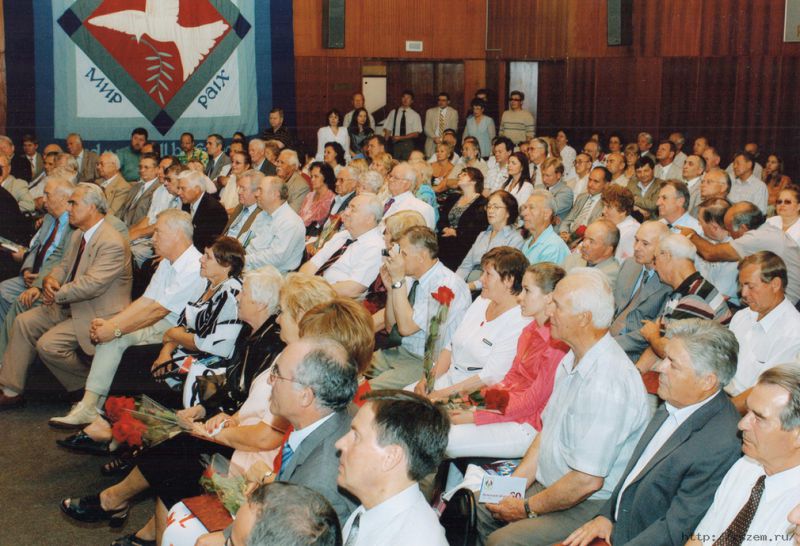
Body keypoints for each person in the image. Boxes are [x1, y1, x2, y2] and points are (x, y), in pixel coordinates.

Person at [61, 337, 358, 542]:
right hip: (266, 500)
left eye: (277, 375)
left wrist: (224, 539)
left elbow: (282, 536)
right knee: (175, 465)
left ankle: (119, 505)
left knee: (178, 467)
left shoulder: (321, 475)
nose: (270, 382)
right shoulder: (324, 422)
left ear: (305, 395)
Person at [476, 269, 650, 546]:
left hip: (586, 502)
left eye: (557, 305)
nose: (549, 310)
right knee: (478, 503)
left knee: (503, 541)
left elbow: (586, 481)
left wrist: (525, 508)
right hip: (552, 484)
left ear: (584, 318)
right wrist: (512, 487)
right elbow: (546, 435)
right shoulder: (572, 357)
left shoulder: (608, 383)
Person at [565, 319, 742, 546]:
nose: (659, 367)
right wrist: (606, 515)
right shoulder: (676, 400)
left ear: (707, 381)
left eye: (673, 364)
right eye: (664, 358)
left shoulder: (722, 444)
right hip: (615, 529)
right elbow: (634, 475)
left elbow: (675, 530)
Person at [47, 209, 205, 427]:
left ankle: (90, 407)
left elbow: (157, 311)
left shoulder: (194, 267)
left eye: (158, 232)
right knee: (111, 334)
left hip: (175, 331)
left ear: (177, 235)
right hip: (160, 322)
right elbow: (145, 301)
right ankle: (92, 408)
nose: (152, 238)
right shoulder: (169, 262)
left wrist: (115, 329)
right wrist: (112, 323)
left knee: (113, 339)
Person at [0, 184, 132, 411]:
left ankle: (90, 389)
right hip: (71, 306)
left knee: (49, 345)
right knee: (24, 322)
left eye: (74, 203)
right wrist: (50, 279)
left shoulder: (111, 241)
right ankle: (11, 390)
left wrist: (56, 293)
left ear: (91, 208)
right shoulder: (79, 234)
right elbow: (63, 266)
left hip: (97, 313)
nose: (68, 208)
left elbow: (92, 285)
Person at [446, 263, 568, 458]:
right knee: (443, 413)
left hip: (527, 424)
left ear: (548, 297)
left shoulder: (557, 346)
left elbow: (531, 402)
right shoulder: (529, 330)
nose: (519, 297)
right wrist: (465, 402)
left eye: (527, 290)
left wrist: (475, 415)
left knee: (445, 438)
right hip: (507, 406)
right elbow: (509, 381)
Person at [687, 365, 800, 546]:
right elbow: (700, 539)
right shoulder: (747, 465)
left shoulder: (796, 510)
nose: (741, 424)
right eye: (748, 412)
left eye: (759, 418)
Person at [337, 390, 450, 546]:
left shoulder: (413, 540)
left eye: (356, 436)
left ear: (391, 457)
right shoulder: (371, 509)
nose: (340, 444)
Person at [416, 247, 530, 400]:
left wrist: (440, 395)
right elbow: (451, 346)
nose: (481, 279)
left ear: (508, 280)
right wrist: (428, 380)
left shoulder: (519, 321)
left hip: (474, 396)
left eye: (488, 274)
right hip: (448, 380)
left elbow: (490, 377)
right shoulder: (482, 301)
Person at [368, 226, 471, 389]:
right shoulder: (414, 279)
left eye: (403, 254)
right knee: (348, 368)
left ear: (422, 256)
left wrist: (398, 281)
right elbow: (390, 327)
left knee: (363, 392)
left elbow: (406, 328)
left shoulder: (447, 286)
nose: (399, 259)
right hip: (401, 351)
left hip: (426, 362)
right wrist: (391, 291)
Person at [150, 237, 245, 407]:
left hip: (209, 371)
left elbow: (208, 345)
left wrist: (172, 334)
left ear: (226, 265)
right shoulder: (206, 284)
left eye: (208, 256)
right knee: (133, 357)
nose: (201, 259)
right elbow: (182, 325)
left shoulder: (231, 293)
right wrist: (165, 352)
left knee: (140, 373)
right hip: (184, 355)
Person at [680, 201, 800, 304]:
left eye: (729, 229)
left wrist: (691, 235)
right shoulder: (766, 230)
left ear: (743, 228)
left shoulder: (756, 238)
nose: (729, 234)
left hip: (787, 303)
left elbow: (710, 253)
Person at [725, 252, 800, 412]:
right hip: (720, 396)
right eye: (742, 285)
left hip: (745, 410)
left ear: (775, 284)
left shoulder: (793, 333)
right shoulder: (742, 316)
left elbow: (764, 392)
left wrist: (719, 414)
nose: (743, 293)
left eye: (750, 286)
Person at [0, 176, 74, 325]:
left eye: (47, 195)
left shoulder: (72, 225)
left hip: (50, 280)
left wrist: (40, 282)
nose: (43, 200)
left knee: (21, 302)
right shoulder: (49, 218)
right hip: (32, 274)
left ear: (63, 198)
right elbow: (36, 248)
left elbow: (62, 260)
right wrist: (27, 269)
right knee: (3, 290)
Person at [301, 194, 385, 299]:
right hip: (313, 291)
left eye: (353, 210)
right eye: (347, 207)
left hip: (334, 301)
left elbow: (353, 289)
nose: (346, 212)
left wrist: (314, 292)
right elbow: (313, 264)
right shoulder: (343, 235)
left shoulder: (375, 247)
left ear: (369, 218)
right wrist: (302, 285)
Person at [610, 221, 672, 362]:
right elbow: (612, 305)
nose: (636, 247)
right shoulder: (629, 264)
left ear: (662, 248)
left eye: (645, 244)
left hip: (633, 353)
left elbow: (654, 333)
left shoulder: (668, 282)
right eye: (636, 240)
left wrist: (608, 345)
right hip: (606, 336)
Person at [456, 189, 523, 288]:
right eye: (489, 206)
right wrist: (455, 283)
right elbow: (465, 266)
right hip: (470, 282)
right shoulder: (482, 235)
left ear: (508, 212)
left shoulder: (515, 239)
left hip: (491, 287)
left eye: (496, 207)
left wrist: (471, 286)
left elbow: (500, 274)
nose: (490, 211)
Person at [245, 175, 306, 273]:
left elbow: (274, 259)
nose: (256, 194)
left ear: (275, 194)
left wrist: (243, 259)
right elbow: (247, 238)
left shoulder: (291, 222)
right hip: (249, 265)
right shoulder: (263, 214)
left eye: (260, 190)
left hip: (270, 275)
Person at [438, 167, 488, 270]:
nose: (459, 176)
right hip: (444, 240)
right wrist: (446, 228)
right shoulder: (453, 198)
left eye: (464, 174)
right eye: (460, 174)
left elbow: (477, 228)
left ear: (474, 181)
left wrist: (455, 232)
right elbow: (442, 219)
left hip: (463, 246)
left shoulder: (482, 202)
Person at [175, 169, 228, 253]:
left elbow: (204, 245)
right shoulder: (187, 202)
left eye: (183, 188)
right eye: (178, 188)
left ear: (197, 189)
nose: (178, 192)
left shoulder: (213, 210)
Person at [563, 219, 621, 288]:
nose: (584, 244)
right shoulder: (573, 258)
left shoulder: (610, 275)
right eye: (584, 238)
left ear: (608, 250)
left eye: (591, 241)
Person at [521, 190, 570, 266]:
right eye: (525, 208)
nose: (524, 213)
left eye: (531, 208)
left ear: (546, 214)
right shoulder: (529, 241)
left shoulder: (553, 247)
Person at [382, 162, 436, 229]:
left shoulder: (422, 208)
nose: (390, 180)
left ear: (407, 184)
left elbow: (424, 235)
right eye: (390, 176)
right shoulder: (386, 200)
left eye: (395, 178)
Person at [601, 184, 639, 262]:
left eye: (608, 207)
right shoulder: (610, 224)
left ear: (623, 210)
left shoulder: (630, 232)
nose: (603, 211)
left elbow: (620, 264)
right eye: (603, 206)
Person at [381, 90, 422, 160]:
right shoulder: (393, 112)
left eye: (408, 98)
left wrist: (400, 137)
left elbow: (416, 134)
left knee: (406, 163)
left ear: (412, 101)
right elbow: (388, 130)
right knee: (394, 162)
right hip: (394, 144)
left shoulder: (415, 115)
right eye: (404, 97)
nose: (405, 100)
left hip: (408, 144)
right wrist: (384, 145)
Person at [297, 161, 336, 229]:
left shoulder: (331, 198)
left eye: (316, 176)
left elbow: (320, 222)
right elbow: (300, 215)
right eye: (311, 176)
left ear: (326, 177)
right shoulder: (309, 195)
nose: (312, 179)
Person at [94, 151, 132, 216]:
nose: (98, 167)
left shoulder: (123, 187)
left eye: (102, 164)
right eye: (98, 164)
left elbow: (112, 213)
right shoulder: (97, 182)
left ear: (114, 166)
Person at [424, 92, 459, 157]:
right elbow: (427, 128)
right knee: (431, 161)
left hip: (447, 142)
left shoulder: (453, 112)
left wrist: (443, 138)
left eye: (443, 100)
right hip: (432, 142)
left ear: (448, 102)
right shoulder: (430, 112)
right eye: (439, 100)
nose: (441, 102)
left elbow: (454, 129)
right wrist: (434, 138)